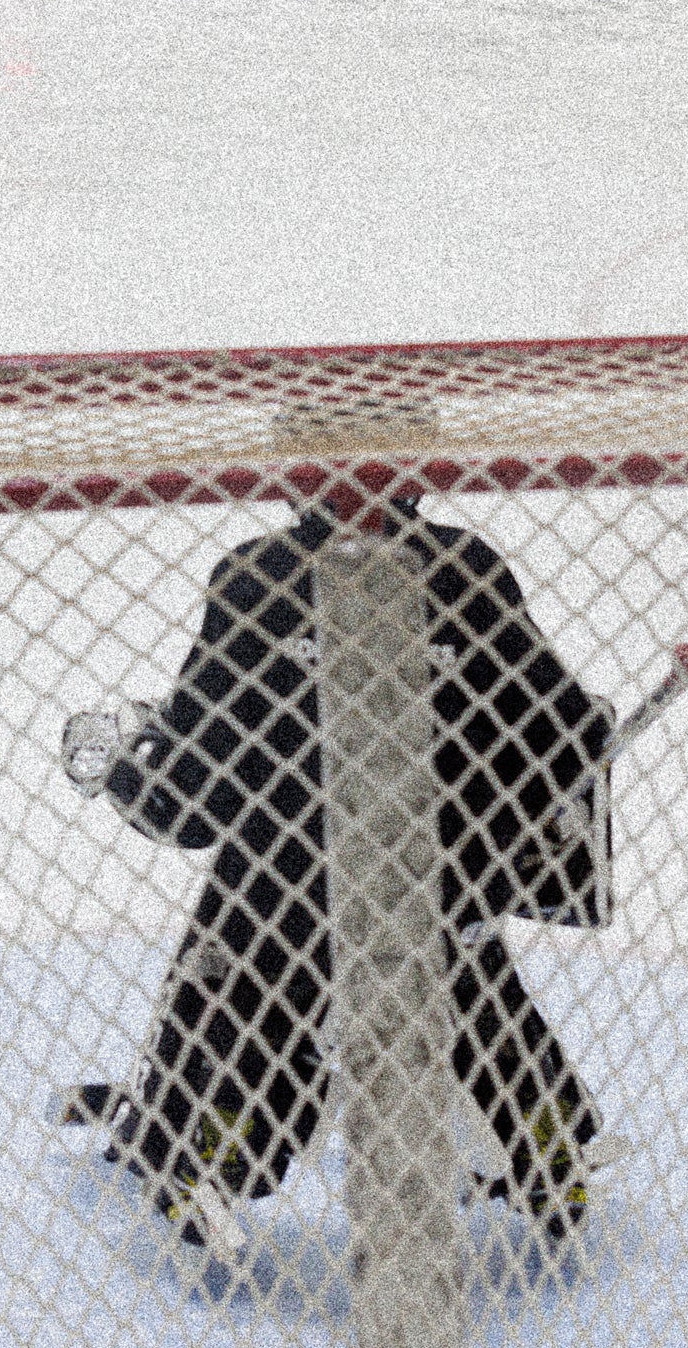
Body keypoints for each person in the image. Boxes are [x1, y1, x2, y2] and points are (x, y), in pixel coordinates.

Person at [61, 491, 614, 1255]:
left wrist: (120, 766)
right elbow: (570, 736)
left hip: (287, 903)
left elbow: (193, 800)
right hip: (445, 892)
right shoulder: (469, 568)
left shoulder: (256, 577)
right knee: (473, 974)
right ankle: (550, 1151)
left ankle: (196, 1150)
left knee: (223, 965)